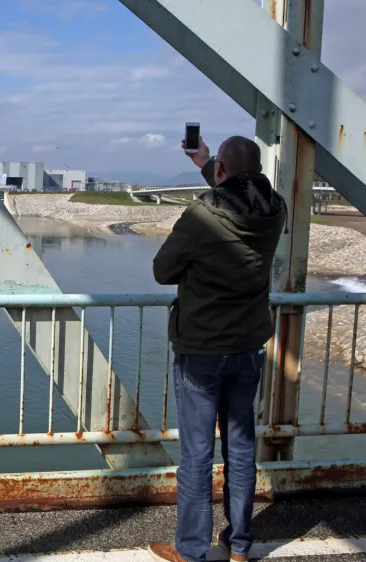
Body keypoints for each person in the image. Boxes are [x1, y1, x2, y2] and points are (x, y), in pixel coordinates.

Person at [147, 136, 287, 562]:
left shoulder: (201, 215)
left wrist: (213, 172)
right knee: (241, 449)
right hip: (248, 346)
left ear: (223, 170)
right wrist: (208, 163)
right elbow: (243, 190)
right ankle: (240, 546)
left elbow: (162, 270)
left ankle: (191, 551)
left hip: (203, 348)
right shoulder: (275, 210)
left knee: (196, 454)